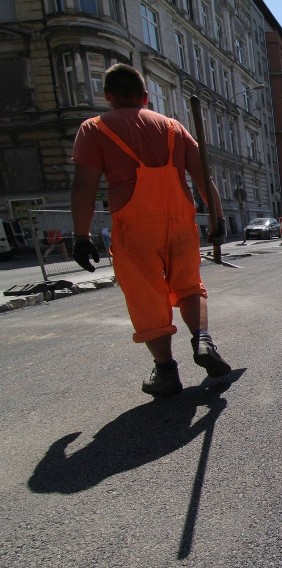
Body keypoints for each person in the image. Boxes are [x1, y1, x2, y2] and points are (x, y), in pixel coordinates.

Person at [70, 63, 231, 397]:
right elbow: (203, 176)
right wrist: (217, 218)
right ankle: (202, 340)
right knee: (190, 288)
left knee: (147, 299)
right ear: (145, 96)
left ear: (108, 95)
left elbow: (83, 188)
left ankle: (167, 372)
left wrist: (81, 236)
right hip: (180, 223)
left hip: (134, 228)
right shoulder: (173, 127)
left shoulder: (95, 128)